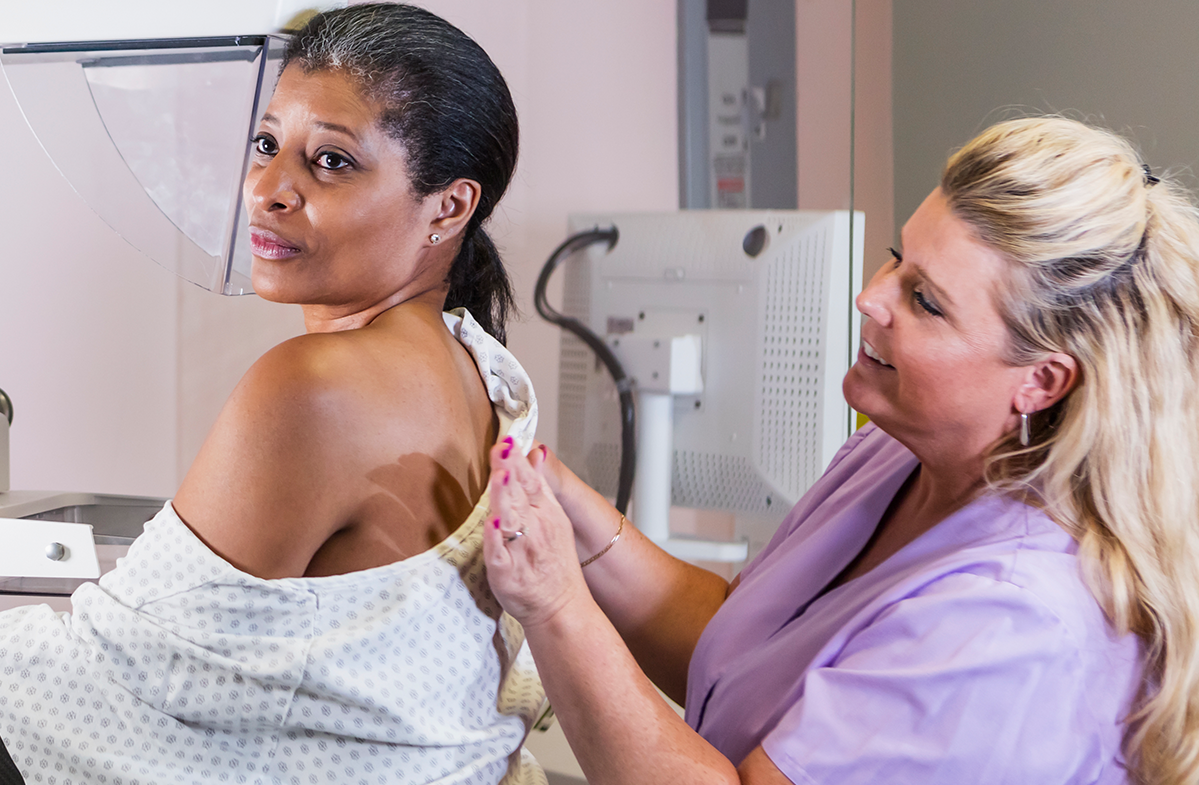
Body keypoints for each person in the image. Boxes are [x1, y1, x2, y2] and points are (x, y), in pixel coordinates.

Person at [0, 5, 549, 782]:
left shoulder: (319, 385)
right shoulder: (475, 363)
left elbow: (107, 675)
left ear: (446, 207)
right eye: (266, 143)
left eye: (330, 162)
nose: (269, 190)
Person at [483, 116, 1199, 785]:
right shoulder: (892, 456)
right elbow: (748, 654)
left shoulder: (1011, 622)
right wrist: (574, 525)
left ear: (1039, 380)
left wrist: (553, 607)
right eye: (895, 259)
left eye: (924, 300)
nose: (870, 297)